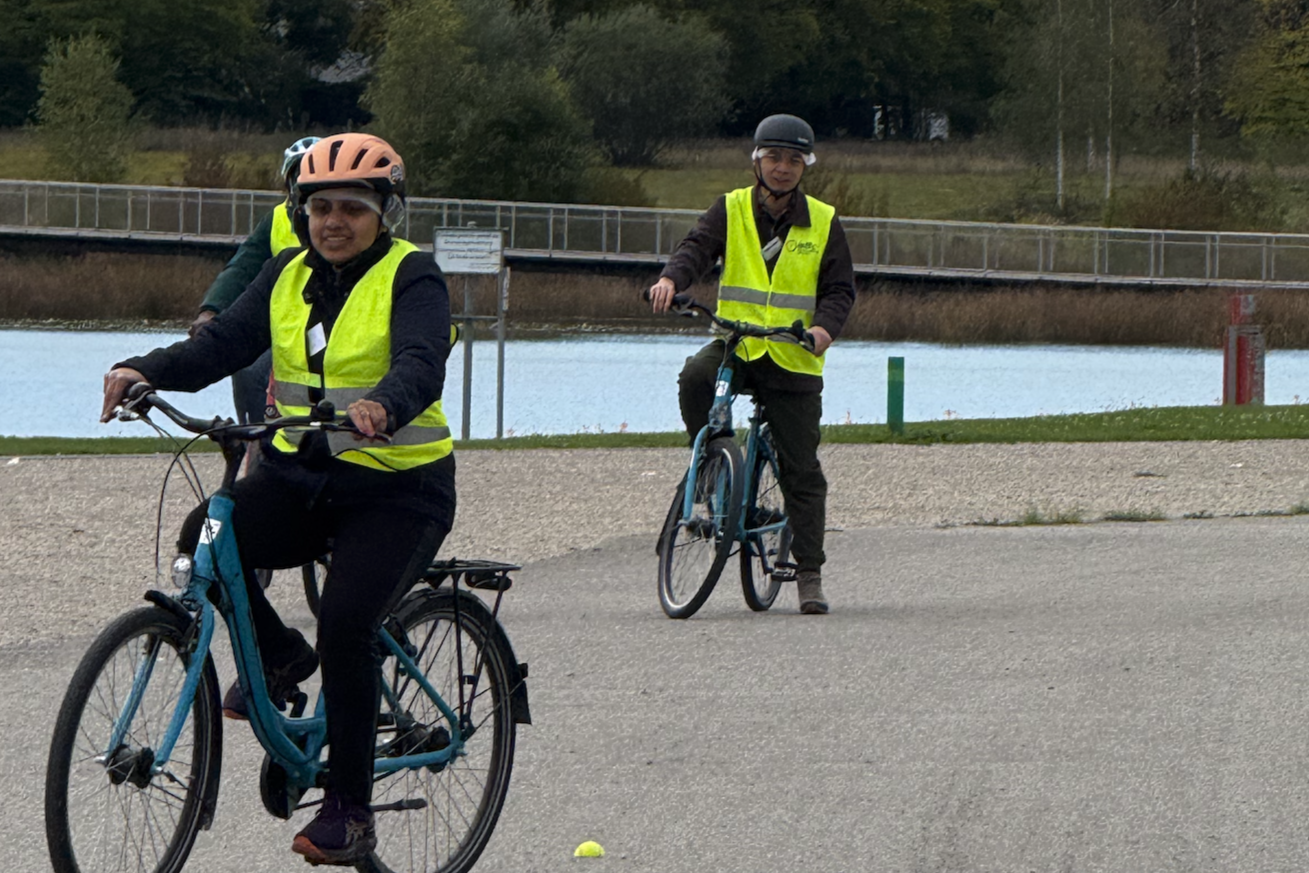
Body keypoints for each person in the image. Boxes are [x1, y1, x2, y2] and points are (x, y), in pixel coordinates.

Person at [100, 133, 455, 866]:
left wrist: (385, 403)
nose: (334, 221)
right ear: (300, 211)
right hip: (305, 478)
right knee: (208, 535)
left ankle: (350, 810)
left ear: (385, 212)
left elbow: (423, 359)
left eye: (353, 208)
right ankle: (278, 653)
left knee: (348, 623)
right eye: (320, 206)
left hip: (397, 491)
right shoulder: (287, 271)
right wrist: (144, 369)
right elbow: (219, 345)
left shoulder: (412, 275)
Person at [647, 113, 855, 615]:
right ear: (757, 162)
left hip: (791, 355)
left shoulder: (823, 220)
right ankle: (714, 471)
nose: (783, 168)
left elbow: (839, 290)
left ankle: (808, 573)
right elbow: (696, 248)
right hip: (737, 346)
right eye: (773, 158)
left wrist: (823, 331)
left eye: (793, 160)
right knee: (695, 375)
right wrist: (672, 280)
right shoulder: (731, 208)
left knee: (801, 469)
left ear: (805, 166)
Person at [189, 135, 321, 425]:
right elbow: (243, 266)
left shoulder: (345, 219)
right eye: (298, 178)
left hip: (332, 325)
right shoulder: (276, 219)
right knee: (247, 369)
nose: (305, 186)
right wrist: (211, 311)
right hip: (287, 324)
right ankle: (254, 438)